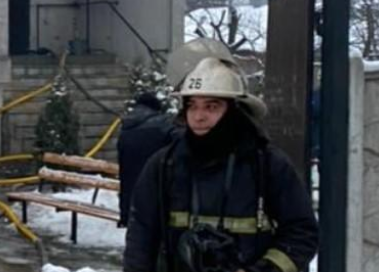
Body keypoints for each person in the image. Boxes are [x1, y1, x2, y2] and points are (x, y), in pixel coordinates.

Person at [124, 58, 318, 272]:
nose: (198, 116)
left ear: (235, 111)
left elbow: (302, 233)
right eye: (192, 106)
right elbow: (141, 237)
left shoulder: (268, 164)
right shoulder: (164, 165)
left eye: (211, 106)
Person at [117, 91, 179, 227]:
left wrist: (124, 214)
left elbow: (123, 171)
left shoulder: (126, 127)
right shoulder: (163, 125)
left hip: (132, 202)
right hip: (158, 198)